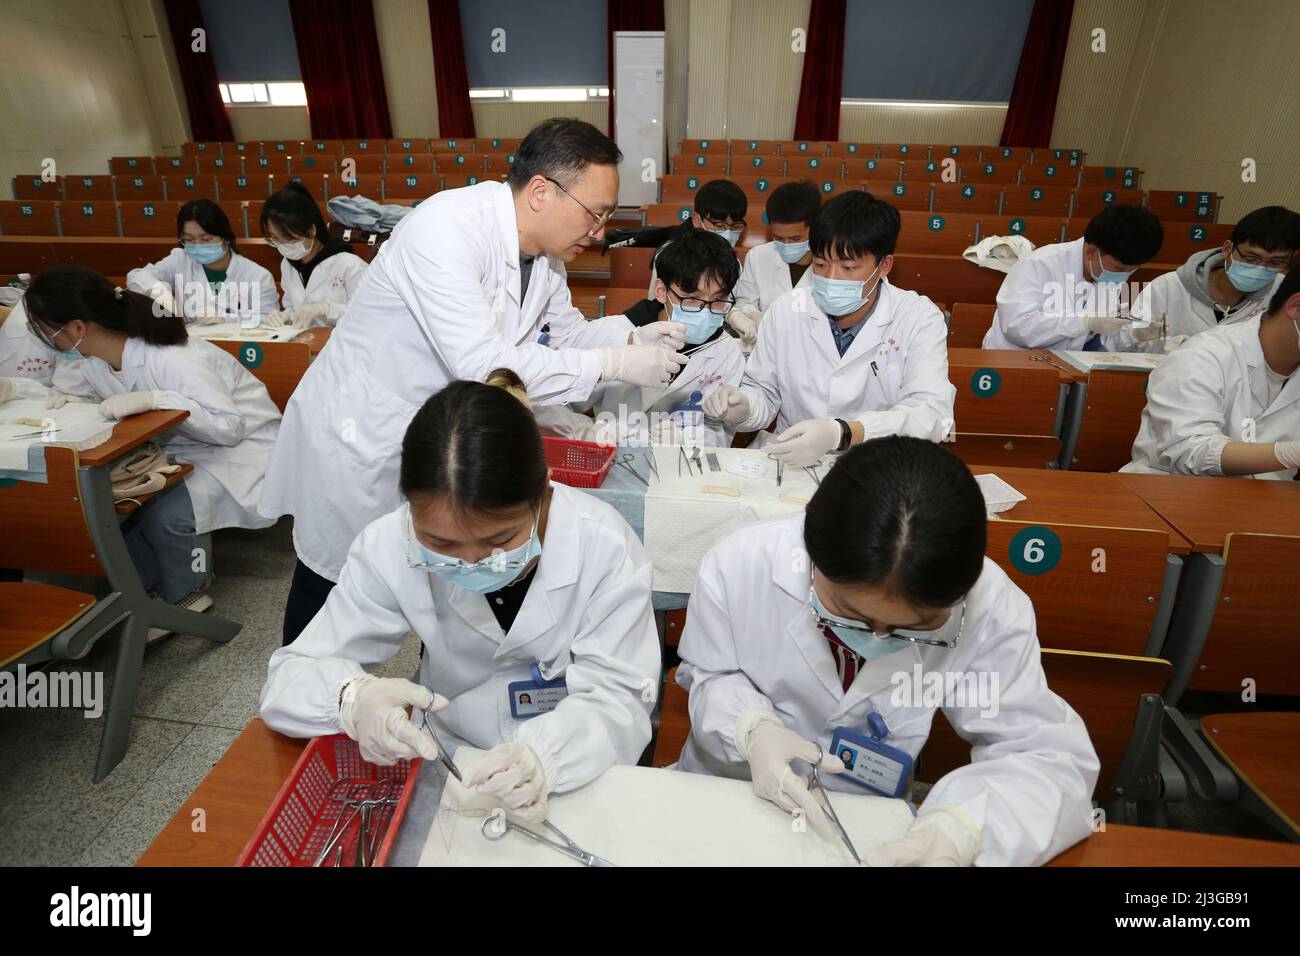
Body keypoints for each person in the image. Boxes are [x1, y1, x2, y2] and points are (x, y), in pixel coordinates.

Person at [260, 118, 687, 645]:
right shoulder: (444, 229)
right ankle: (305, 699)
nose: (600, 232)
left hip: (441, 432)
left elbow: (565, 335)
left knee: (453, 566)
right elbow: (486, 365)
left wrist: (629, 338)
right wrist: (613, 365)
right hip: (365, 435)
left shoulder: (544, 258)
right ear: (540, 192)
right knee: (336, 582)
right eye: (595, 213)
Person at [675, 436, 1099, 866]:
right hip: (727, 792)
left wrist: (960, 829)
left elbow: (1047, 758)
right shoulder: (741, 563)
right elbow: (711, 674)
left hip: (871, 827)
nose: (876, 639)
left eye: (912, 628)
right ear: (812, 557)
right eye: (848, 613)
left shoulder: (991, 607)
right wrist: (751, 728)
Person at [259, 372, 661, 821]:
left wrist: (544, 757)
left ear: (544, 492)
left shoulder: (603, 545)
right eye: (443, 545)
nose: (474, 564)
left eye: (500, 540)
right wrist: (352, 698)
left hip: (575, 764)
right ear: (409, 508)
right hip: (449, 759)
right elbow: (289, 679)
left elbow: (619, 697)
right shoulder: (389, 544)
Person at [27, 267, 280, 605]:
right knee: (118, 506)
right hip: (172, 445)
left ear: (76, 328)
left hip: (239, 449)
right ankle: (144, 593)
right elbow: (98, 397)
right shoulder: (91, 360)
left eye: (47, 331)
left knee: (165, 514)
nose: (47, 341)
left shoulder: (172, 358)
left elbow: (229, 428)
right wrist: (76, 403)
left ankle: (188, 594)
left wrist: (160, 400)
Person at [703, 191, 955, 465]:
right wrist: (744, 406)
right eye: (821, 264)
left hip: (877, 463)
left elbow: (932, 414)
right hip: (790, 458)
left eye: (848, 267)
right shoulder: (786, 311)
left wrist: (844, 432)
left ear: (884, 265)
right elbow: (763, 392)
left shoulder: (918, 317)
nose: (831, 278)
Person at [1122, 269, 1300, 479]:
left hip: (1266, 501)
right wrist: (1287, 454)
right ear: (1295, 307)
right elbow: (1190, 452)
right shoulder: (1202, 356)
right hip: (1170, 496)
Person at [587, 229, 745, 447]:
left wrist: (686, 440)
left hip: (681, 467)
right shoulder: (616, 331)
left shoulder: (726, 353)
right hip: (607, 453)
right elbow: (568, 395)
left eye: (718, 300)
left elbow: (718, 429)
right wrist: (583, 430)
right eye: (692, 299)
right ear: (661, 291)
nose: (705, 311)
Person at [1113, 205, 1300, 352]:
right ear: (1227, 249)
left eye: (1275, 263)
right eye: (1251, 258)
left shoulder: (1283, 294)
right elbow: (1137, 342)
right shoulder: (1169, 287)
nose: (1261, 269)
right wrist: (1190, 347)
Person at [982, 205, 1164, 350]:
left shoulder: (1109, 276)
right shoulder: (1041, 263)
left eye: (1133, 270)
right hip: (1011, 360)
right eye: (1119, 268)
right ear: (1092, 252)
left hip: (1066, 365)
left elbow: (1099, 340)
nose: (1124, 276)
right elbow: (1017, 327)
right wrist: (1083, 321)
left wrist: (1132, 335)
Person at [126, 199, 276, 326]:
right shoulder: (180, 259)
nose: (197, 245)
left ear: (226, 237)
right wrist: (156, 290)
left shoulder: (257, 275)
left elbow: (269, 321)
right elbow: (137, 276)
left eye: (206, 239)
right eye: (189, 239)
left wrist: (228, 318)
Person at [260, 182, 369, 329]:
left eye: (289, 238)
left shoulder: (349, 264)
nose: (283, 246)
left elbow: (369, 314)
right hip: (306, 344)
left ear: (312, 230)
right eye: (275, 239)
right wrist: (286, 315)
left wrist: (326, 309)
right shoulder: (287, 265)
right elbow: (294, 308)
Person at [728, 181, 821, 350]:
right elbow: (744, 302)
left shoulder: (833, 264)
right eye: (778, 238)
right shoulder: (758, 256)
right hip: (766, 347)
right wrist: (749, 316)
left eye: (795, 239)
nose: (786, 245)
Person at [646, 179, 749, 296]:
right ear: (697, 220)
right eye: (719, 226)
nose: (728, 234)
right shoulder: (670, 254)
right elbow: (655, 302)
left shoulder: (732, 260)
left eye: (735, 226)